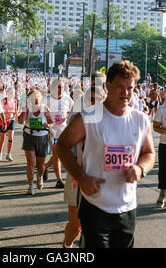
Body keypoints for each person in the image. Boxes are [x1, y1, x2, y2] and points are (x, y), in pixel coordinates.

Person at [56, 60, 156, 248]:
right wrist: (82, 177)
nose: (126, 93)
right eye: (120, 87)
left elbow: (149, 153)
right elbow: (62, 146)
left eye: (130, 88)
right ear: (108, 85)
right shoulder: (89, 116)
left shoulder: (140, 119)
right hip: (95, 204)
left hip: (127, 206)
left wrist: (140, 169)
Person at [62, 86, 105, 248]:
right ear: (86, 101)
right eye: (91, 99)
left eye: (99, 99)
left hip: (101, 177)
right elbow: (66, 149)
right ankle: (67, 245)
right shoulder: (77, 119)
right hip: (77, 174)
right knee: (76, 226)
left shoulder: (110, 120)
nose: (94, 103)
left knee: (96, 226)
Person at [18, 89, 54, 195]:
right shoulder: (27, 109)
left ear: (40, 97)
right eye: (33, 97)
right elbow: (20, 121)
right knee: (30, 163)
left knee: (41, 165)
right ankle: (30, 186)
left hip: (42, 137)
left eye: (37, 97)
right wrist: (25, 110)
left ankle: (39, 177)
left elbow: (52, 122)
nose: (36, 99)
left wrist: (48, 125)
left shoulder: (44, 108)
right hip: (29, 136)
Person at [43, 79, 74, 188]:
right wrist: (46, 123)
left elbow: (71, 111)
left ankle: (45, 167)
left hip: (63, 131)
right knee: (56, 154)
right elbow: (42, 114)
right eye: (57, 87)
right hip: (52, 131)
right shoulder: (47, 99)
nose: (59, 89)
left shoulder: (67, 98)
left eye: (61, 87)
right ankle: (59, 180)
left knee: (60, 154)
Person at [0, 87, 17, 162]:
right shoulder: (4, 100)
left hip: (11, 120)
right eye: (10, 93)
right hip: (4, 120)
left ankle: (9, 154)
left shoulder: (15, 101)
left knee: (11, 139)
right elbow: (0, 111)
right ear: (7, 93)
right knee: (2, 138)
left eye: (13, 93)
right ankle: (0, 153)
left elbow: (15, 112)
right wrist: (8, 111)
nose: (12, 94)